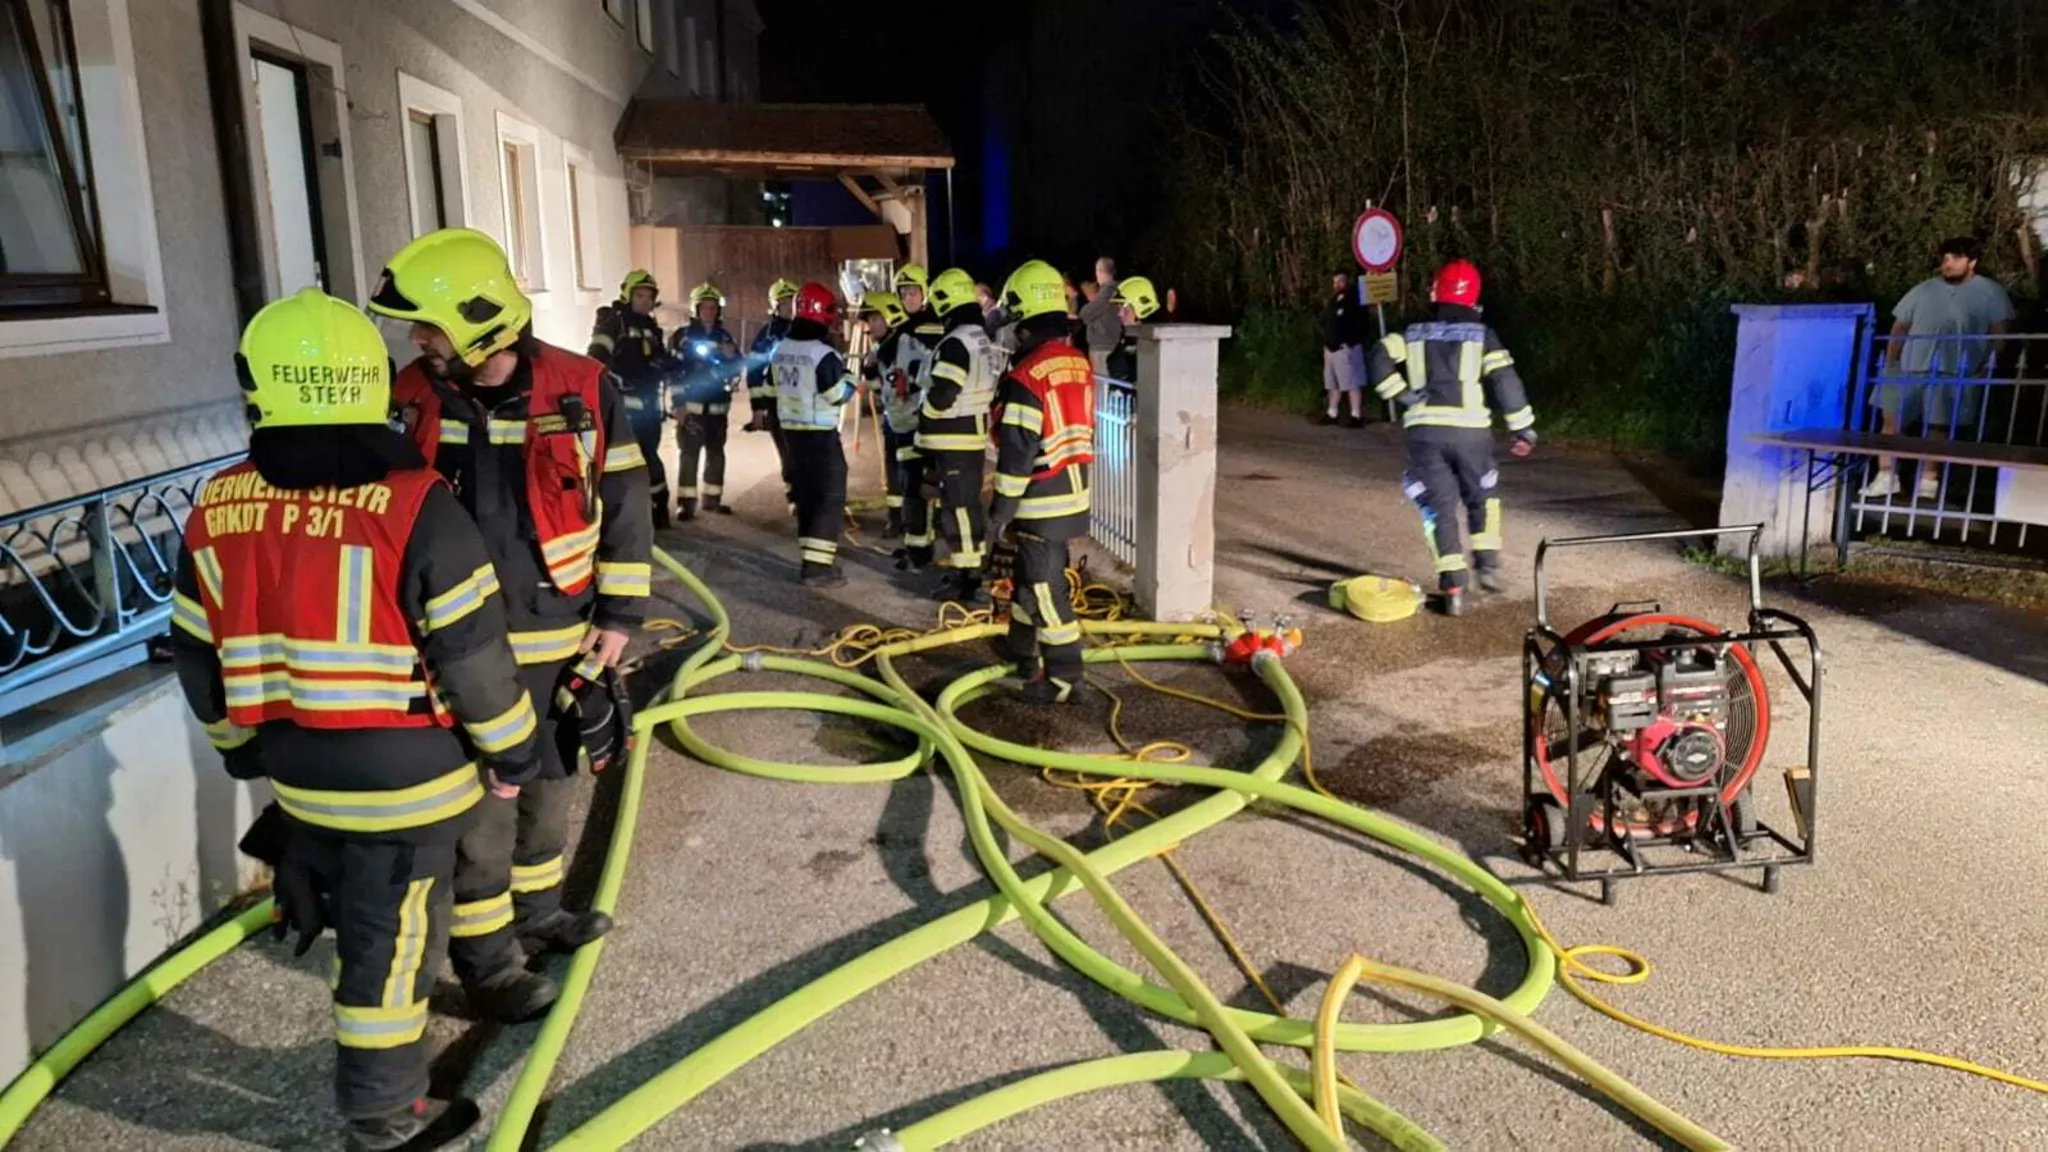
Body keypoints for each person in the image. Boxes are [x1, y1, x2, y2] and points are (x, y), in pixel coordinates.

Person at [171, 288, 550, 1150]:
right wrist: (513, 753)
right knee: (391, 940)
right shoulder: (418, 506)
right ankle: (384, 1115)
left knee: (378, 904)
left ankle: (481, 983)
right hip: (408, 779)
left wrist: (240, 751)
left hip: (298, 773)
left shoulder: (217, 505)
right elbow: (475, 658)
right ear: (371, 384)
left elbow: (197, 656)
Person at [368, 227, 646, 978]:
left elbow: (625, 499)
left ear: (478, 322)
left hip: (559, 635)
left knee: (550, 789)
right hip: (461, 648)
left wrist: (619, 616)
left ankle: (541, 913)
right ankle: (488, 962)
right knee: (484, 813)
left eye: (429, 326)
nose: (418, 340)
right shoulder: (409, 396)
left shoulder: (583, 387)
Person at [1366, 259, 1535, 617]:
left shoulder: (1413, 333)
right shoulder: (1483, 335)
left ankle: (1453, 588)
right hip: (1471, 435)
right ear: (1474, 297)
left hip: (1425, 434)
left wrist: (1400, 393)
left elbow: (1379, 354)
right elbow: (1505, 381)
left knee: (1438, 509)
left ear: (1436, 292)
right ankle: (1487, 566)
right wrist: (1523, 427)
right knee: (1482, 498)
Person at [989, 260, 1097, 705]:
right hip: (1072, 491)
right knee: (1026, 576)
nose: (1011, 332)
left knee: (1044, 588)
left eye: (1014, 322)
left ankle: (1064, 677)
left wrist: (999, 513)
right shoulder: (1076, 362)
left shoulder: (1027, 376)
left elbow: (1016, 457)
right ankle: (1020, 648)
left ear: (1025, 320)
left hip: (1040, 500)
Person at [1864, 235, 2015, 502]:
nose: (1948, 263)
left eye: (1955, 258)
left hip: (1954, 369)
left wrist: (1986, 367)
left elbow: (1999, 333)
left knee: (1938, 426)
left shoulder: (1990, 292)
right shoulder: (1923, 289)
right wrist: (1891, 360)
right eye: (1945, 258)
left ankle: (1928, 480)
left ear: (1972, 262)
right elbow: (1900, 325)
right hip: (1909, 366)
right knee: (1891, 421)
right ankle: (1886, 476)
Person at [913, 267, 1000, 600]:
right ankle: (967, 570)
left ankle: (966, 577)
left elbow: (944, 393)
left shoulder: (955, 343)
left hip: (953, 436)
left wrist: (925, 412)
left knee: (958, 509)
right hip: (968, 434)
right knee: (965, 507)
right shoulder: (977, 336)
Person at [771, 282, 856, 585]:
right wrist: (851, 379)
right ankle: (818, 569)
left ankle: (810, 559)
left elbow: (771, 388)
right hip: (820, 435)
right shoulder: (823, 354)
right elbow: (837, 394)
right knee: (829, 498)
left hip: (791, 435)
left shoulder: (781, 349)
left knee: (806, 498)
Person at [588, 269, 677, 527]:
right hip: (623, 408)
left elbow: (658, 360)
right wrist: (614, 380)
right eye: (639, 295)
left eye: (649, 297)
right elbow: (595, 359)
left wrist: (677, 365)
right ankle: (628, 514)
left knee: (649, 456)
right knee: (625, 461)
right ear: (628, 295)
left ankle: (658, 508)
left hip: (649, 407)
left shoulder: (651, 328)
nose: (645, 301)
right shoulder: (615, 323)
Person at [668, 282, 743, 519]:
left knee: (716, 455)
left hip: (718, 409)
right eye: (705, 307)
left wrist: (732, 357)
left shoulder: (725, 336)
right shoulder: (683, 337)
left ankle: (712, 500)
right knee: (689, 455)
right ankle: (686, 503)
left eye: (713, 307)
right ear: (696, 309)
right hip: (692, 409)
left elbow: (737, 368)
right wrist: (678, 404)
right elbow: (674, 372)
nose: (709, 311)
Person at [857, 290, 926, 541]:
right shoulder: (880, 350)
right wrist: (869, 373)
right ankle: (896, 518)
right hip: (894, 421)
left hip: (913, 423)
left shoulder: (909, 345)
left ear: (890, 317)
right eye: (869, 320)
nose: (870, 325)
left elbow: (924, 378)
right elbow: (881, 387)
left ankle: (915, 524)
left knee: (912, 478)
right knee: (894, 473)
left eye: (874, 319)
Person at [745, 278, 801, 514]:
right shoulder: (766, 336)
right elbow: (754, 372)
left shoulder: (807, 330)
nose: (789, 307)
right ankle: (794, 496)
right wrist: (758, 408)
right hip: (778, 404)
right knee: (787, 453)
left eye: (792, 302)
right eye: (784, 303)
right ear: (775, 306)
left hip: (805, 403)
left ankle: (812, 494)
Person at [1322, 271, 1370, 427]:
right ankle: (1332, 413)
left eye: (1340, 281)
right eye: (1334, 282)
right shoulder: (1333, 300)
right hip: (1331, 348)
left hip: (1346, 348)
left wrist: (1350, 342)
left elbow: (1362, 323)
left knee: (1352, 383)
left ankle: (1356, 416)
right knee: (1333, 384)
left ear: (1347, 281)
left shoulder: (1354, 300)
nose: (1336, 285)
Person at [1105, 275, 1162, 382]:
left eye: (1124, 308)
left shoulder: (1157, 340)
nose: (1120, 314)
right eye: (1119, 308)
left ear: (1140, 307)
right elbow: (1113, 366)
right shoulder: (1128, 336)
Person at [1077, 256, 1124, 378]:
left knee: (1100, 382)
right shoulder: (1118, 289)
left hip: (1102, 346)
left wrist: (1086, 307)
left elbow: (1086, 314)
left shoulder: (1107, 291)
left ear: (1099, 271)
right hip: (1112, 343)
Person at [895, 264, 946, 354]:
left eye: (912, 292)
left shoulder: (937, 322)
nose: (908, 298)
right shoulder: (902, 325)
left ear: (924, 292)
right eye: (903, 293)